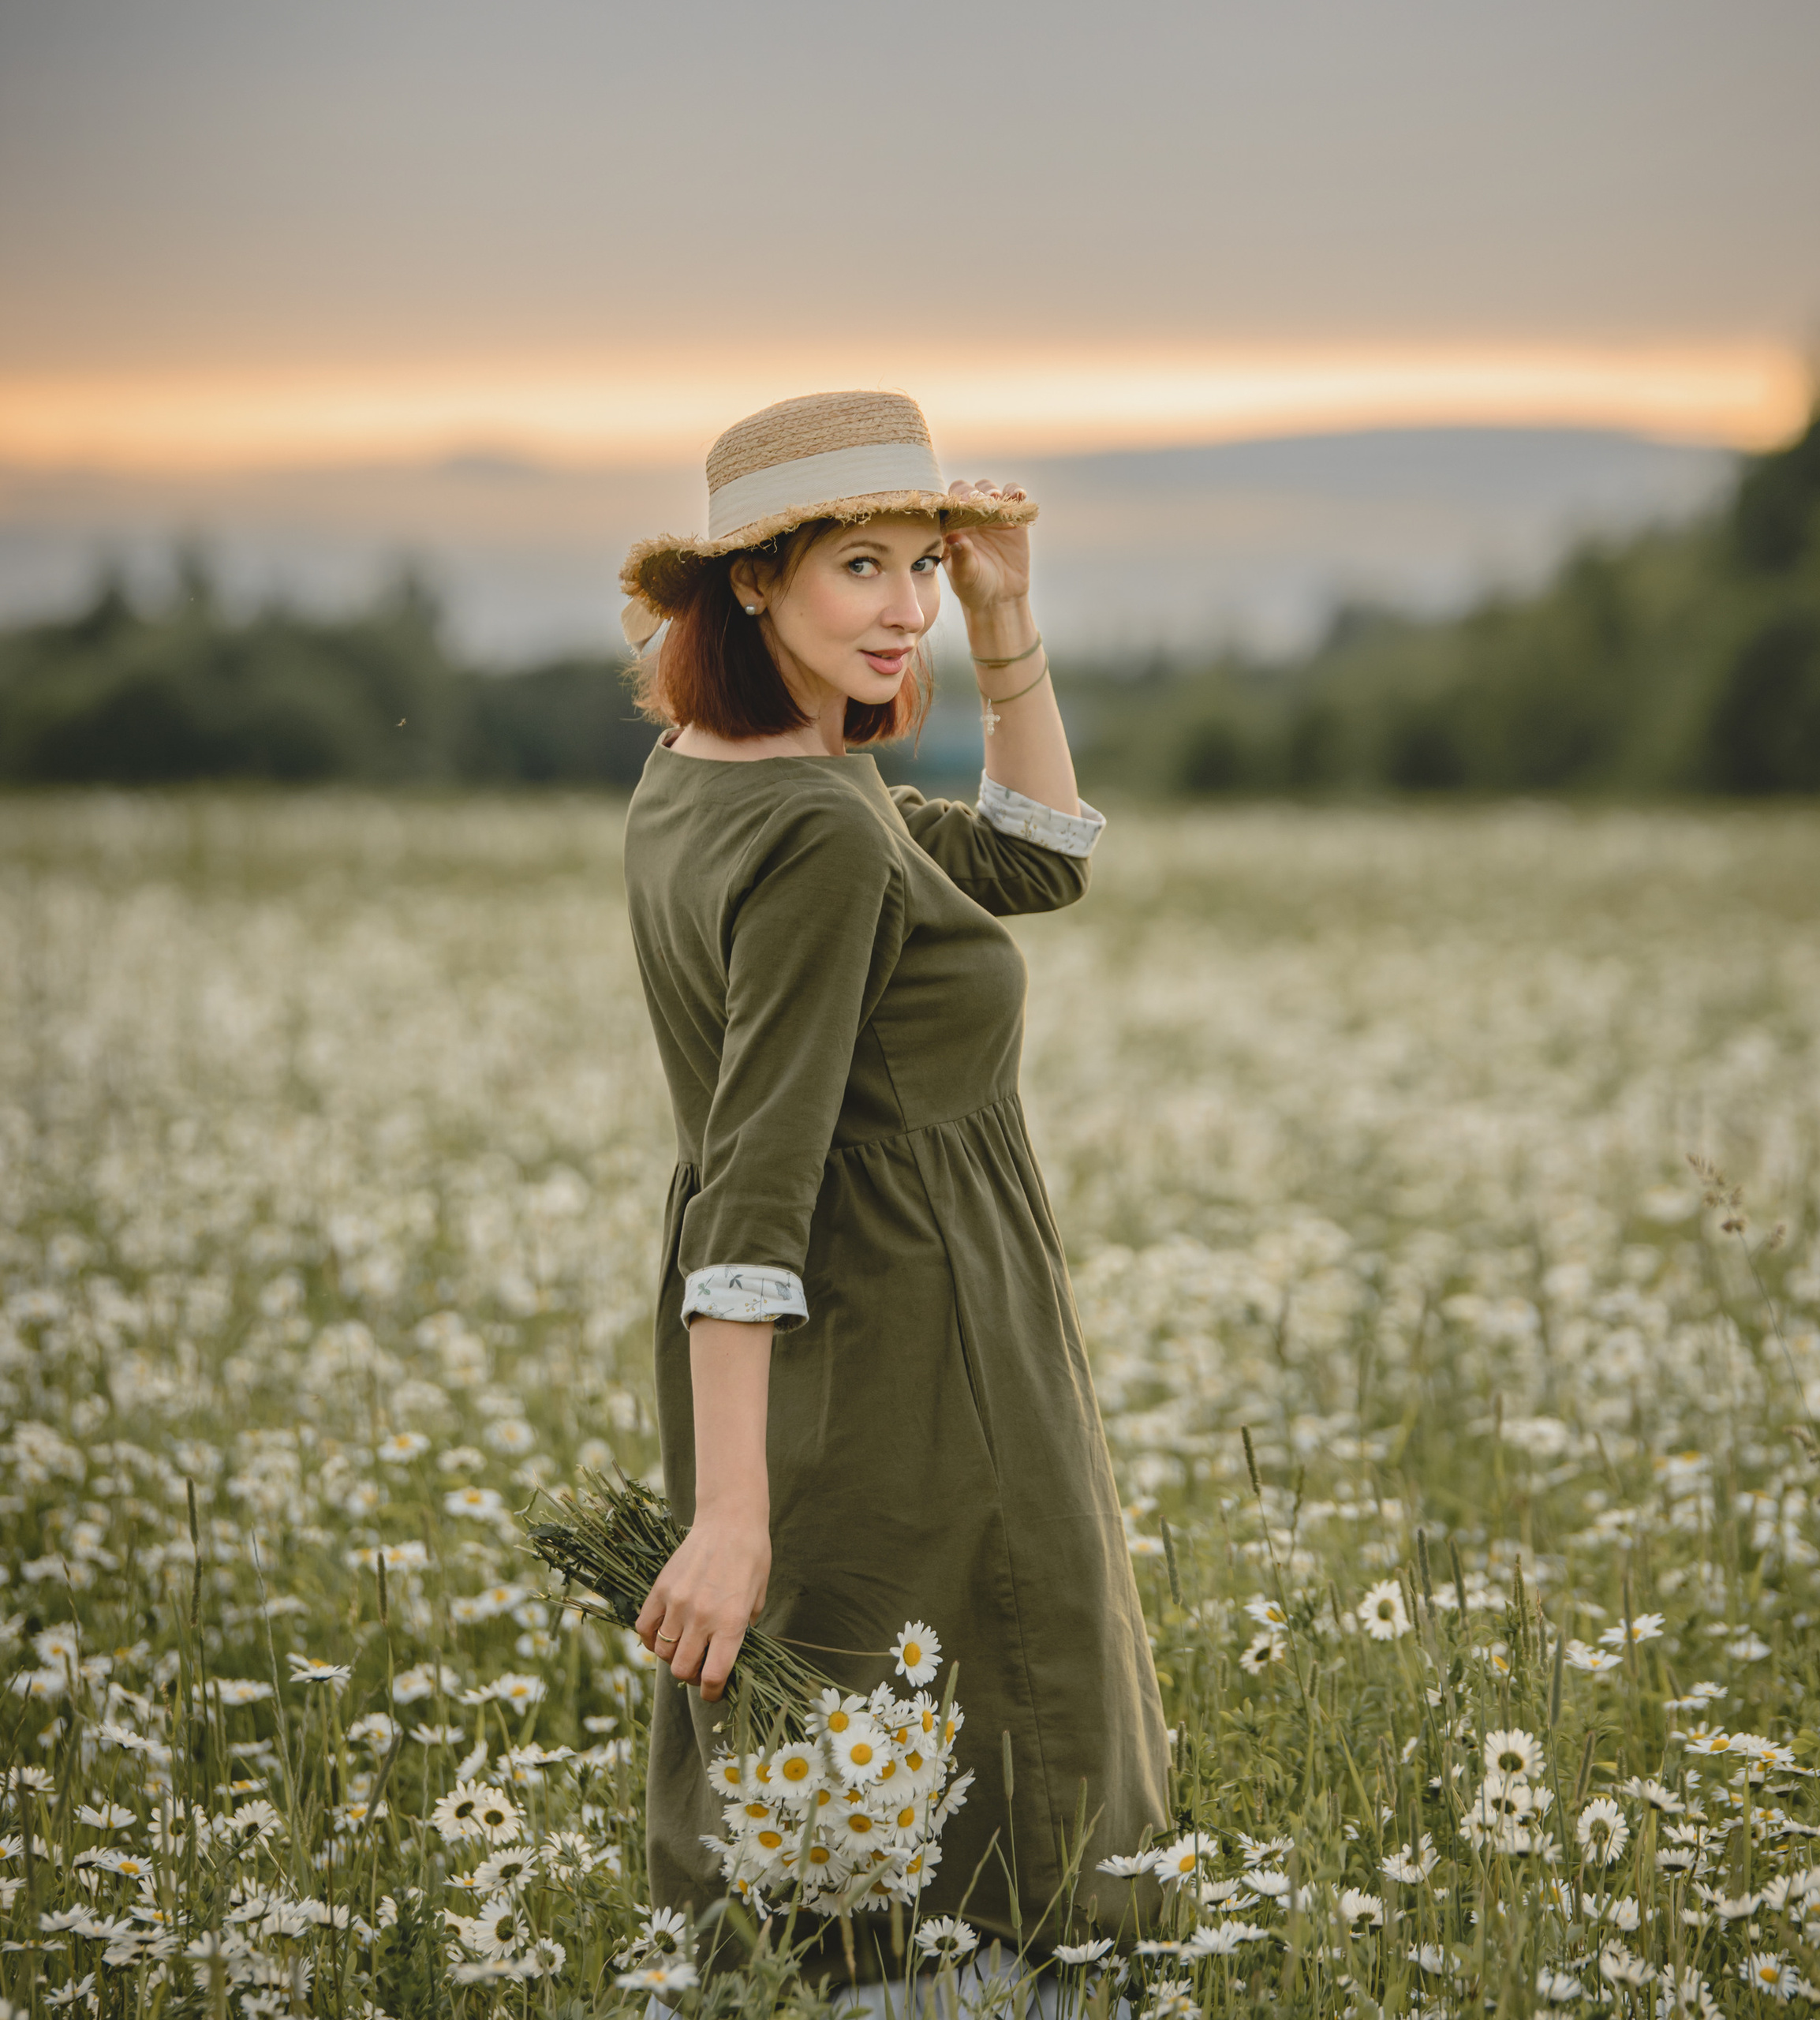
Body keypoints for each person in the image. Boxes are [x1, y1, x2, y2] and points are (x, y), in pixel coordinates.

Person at [615, 391, 1167, 1987]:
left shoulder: (713, 774)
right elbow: (751, 1180)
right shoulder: (816, 832)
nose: (905, 606)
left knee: (842, 1769)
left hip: (834, 1347)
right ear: (750, 579)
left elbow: (1036, 857)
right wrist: (726, 1515)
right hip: (916, 1342)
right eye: (861, 566)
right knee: (984, 1784)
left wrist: (1005, 622)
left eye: (921, 564)